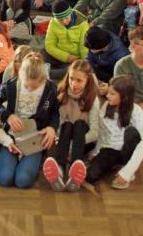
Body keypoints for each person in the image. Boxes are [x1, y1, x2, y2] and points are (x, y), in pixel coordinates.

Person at [0, 53, 58, 189]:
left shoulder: (50, 88)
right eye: (27, 86)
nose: (30, 89)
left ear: (44, 79)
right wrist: (7, 115)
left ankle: (34, 160)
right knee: (5, 179)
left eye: (35, 87)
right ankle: (18, 159)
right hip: (12, 137)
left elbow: (55, 112)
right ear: (20, 76)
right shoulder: (11, 85)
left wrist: (52, 127)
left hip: (35, 138)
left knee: (23, 181)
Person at [85, 75, 143, 189]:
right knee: (90, 176)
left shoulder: (136, 111)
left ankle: (124, 166)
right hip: (108, 149)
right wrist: (95, 152)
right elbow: (102, 132)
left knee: (131, 132)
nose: (107, 96)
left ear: (125, 97)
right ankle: (110, 165)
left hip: (123, 150)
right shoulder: (107, 105)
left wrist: (127, 172)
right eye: (108, 92)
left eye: (112, 94)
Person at [41, 60, 98, 192]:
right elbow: (58, 126)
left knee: (79, 124)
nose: (74, 84)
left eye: (79, 80)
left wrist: (73, 144)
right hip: (64, 139)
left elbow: (95, 132)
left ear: (87, 80)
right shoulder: (61, 95)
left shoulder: (92, 99)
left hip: (83, 141)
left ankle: (75, 170)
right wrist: (63, 142)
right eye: (72, 79)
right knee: (67, 125)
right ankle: (60, 170)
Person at [44, 1, 89, 78]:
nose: (64, 22)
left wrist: (82, 62)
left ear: (71, 13)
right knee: (42, 54)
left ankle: (46, 73)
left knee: (72, 70)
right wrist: (66, 57)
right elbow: (49, 45)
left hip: (75, 59)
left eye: (66, 18)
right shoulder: (53, 22)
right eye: (60, 20)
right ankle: (45, 72)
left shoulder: (83, 24)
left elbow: (84, 47)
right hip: (59, 54)